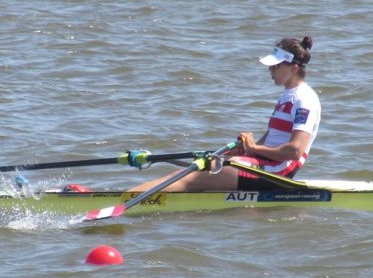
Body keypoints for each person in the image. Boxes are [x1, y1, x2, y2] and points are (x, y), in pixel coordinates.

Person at [130, 35, 321, 192]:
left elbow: (295, 151)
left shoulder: (305, 100)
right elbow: (272, 140)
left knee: (188, 177)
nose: (270, 69)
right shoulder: (288, 96)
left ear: (294, 68)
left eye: (276, 66)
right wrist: (246, 149)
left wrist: (253, 149)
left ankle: (120, 201)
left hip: (278, 172)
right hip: (266, 164)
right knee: (202, 166)